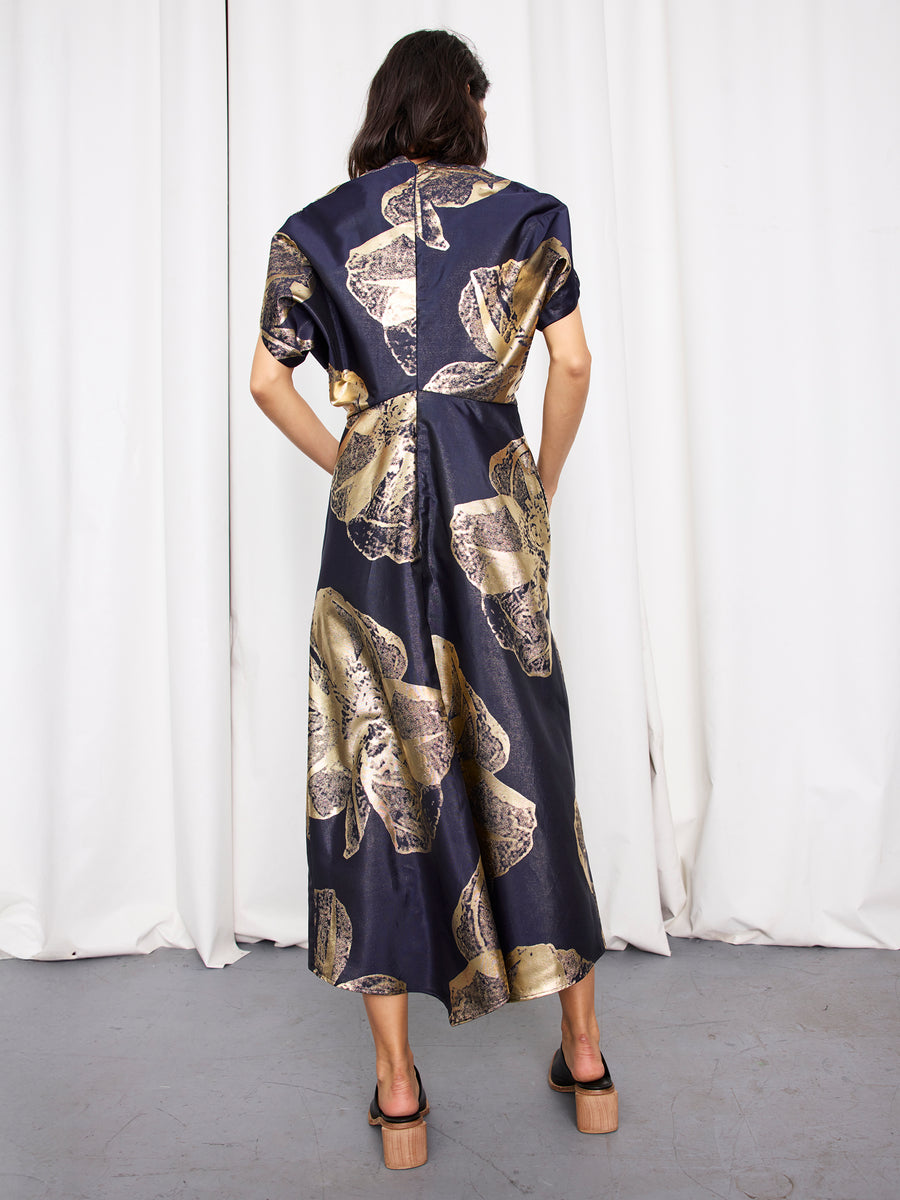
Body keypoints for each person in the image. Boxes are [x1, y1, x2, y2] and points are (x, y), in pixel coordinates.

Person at [249, 28, 617, 1170]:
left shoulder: (314, 228)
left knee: (373, 763)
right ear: (464, 104)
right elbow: (572, 365)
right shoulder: (529, 214)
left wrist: (354, 462)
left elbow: (266, 381)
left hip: (370, 531)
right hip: (491, 514)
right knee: (532, 762)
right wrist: (534, 484)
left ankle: (400, 1095)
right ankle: (587, 1060)